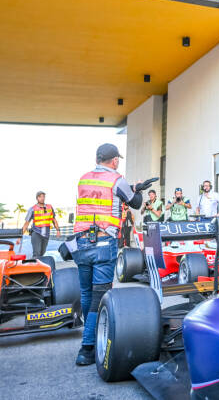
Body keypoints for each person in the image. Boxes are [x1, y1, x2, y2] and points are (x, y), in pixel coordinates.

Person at [69, 143, 149, 366]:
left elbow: (103, 197)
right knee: (100, 295)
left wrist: (131, 187)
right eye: (118, 160)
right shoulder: (116, 179)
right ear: (114, 161)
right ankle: (87, 348)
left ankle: (91, 333)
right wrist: (138, 189)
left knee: (86, 293)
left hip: (81, 242)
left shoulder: (84, 179)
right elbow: (135, 202)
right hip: (104, 242)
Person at [22, 191, 60, 258]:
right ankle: (35, 267)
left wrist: (58, 230)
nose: (42, 198)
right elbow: (26, 223)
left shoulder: (50, 207)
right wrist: (20, 235)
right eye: (40, 196)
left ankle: (38, 265)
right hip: (36, 233)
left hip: (46, 234)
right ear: (37, 198)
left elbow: (53, 219)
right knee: (36, 254)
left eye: (43, 196)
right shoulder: (32, 209)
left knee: (42, 253)